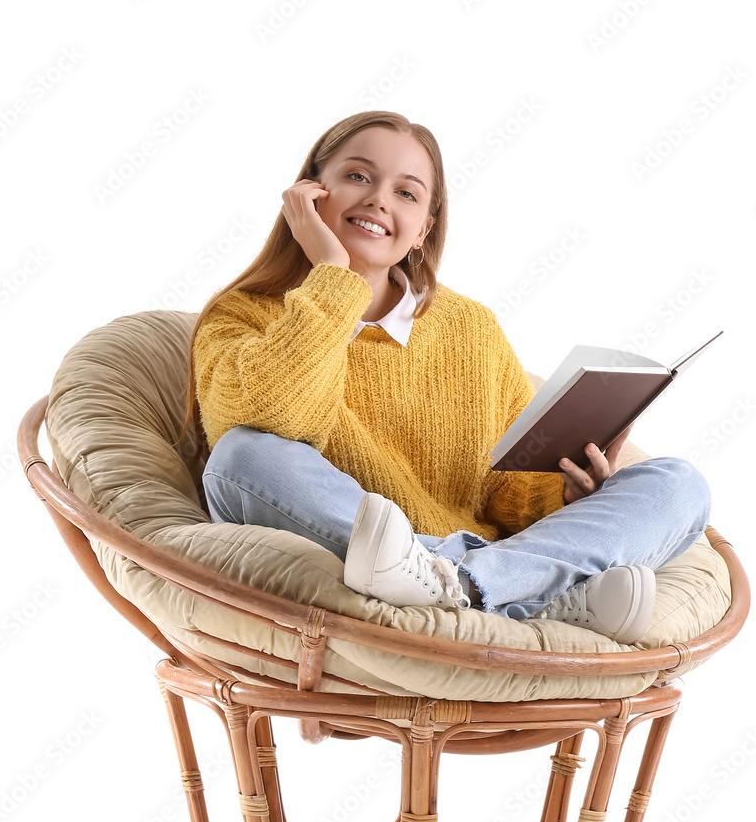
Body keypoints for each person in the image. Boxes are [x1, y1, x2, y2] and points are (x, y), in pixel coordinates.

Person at [189, 111, 711, 644]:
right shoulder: (243, 314)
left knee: (678, 485)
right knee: (242, 457)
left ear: (424, 230)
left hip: (449, 554)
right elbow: (267, 419)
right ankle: (528, 597)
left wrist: (566, 495)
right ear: (309, 193)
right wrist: (330, 275)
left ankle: (458, 581)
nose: (378, 200)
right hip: (345, 540)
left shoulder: (470, 328)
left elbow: (502, 489)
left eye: (407, 194)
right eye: (358, 177)